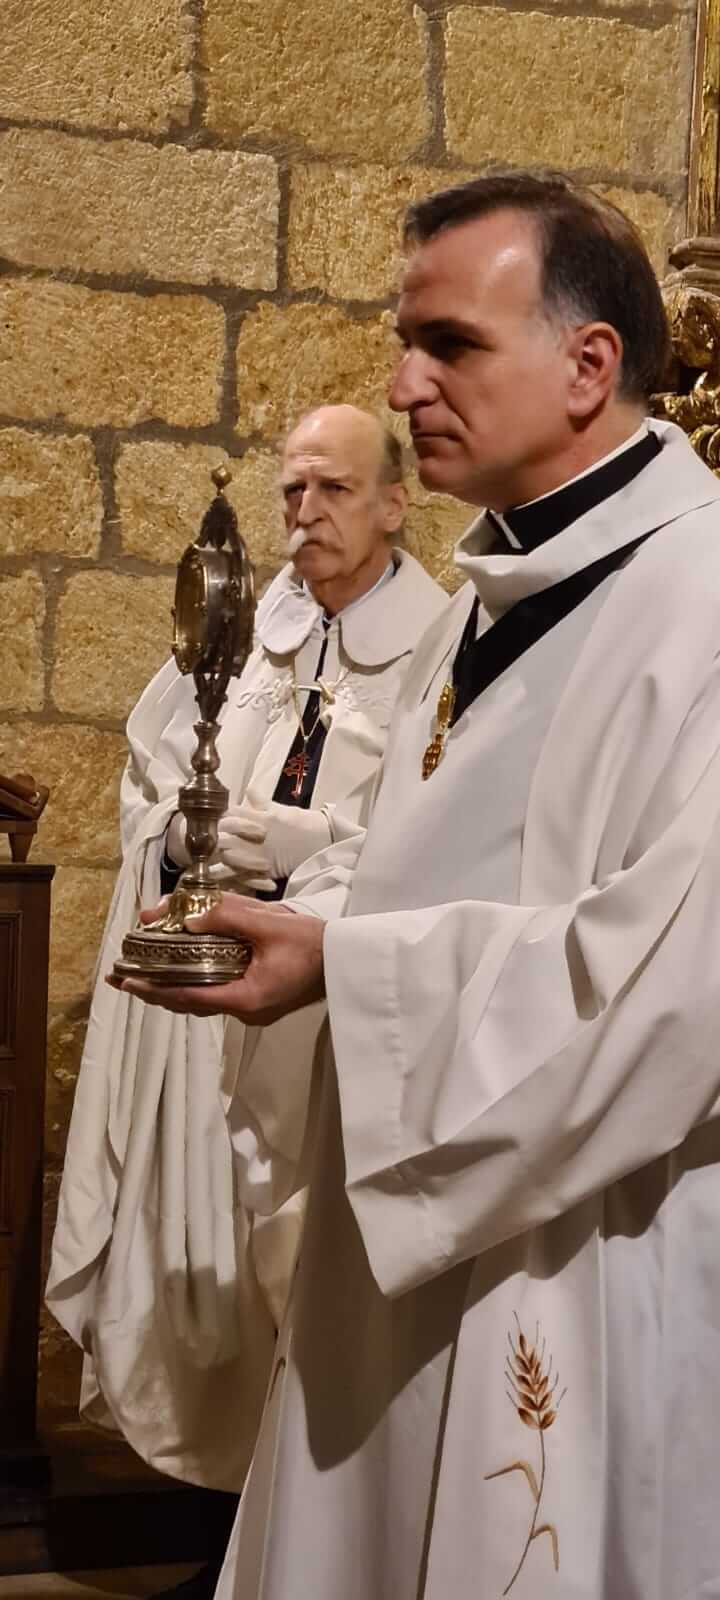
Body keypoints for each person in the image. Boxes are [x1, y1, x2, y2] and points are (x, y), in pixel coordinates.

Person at [111, 173, 720, 1600]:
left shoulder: (698, 604)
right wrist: (306, 921)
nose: (403, 384)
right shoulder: (495, 597)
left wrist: (347, 965)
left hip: (582, 1258)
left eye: (449, 344)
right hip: (403, 1233)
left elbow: (677, 981)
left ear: (589, 365)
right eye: (405, 341)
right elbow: (411, 851)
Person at [46, 402, 447, 1524]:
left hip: (325, 1019)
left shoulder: (435, 646)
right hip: (204, 1017)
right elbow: (151, 776)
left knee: (301, 1277)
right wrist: (176, 842)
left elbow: (441, 833)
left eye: (334, 489)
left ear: (394, 504)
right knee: (209, 1274)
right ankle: (222, 1536)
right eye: (291, 489)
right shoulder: (245, 632)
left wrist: (303, 846)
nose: (305, 512)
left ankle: (299, 1541)